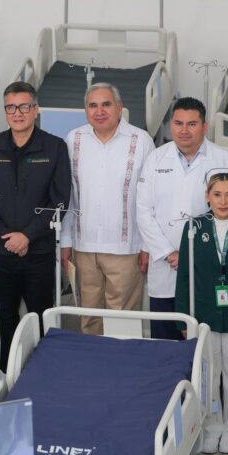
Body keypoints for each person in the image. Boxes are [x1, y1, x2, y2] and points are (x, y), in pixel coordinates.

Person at [0, 81, 71, 357]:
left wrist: (27, 236)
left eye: (24, 107)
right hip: (0, 251)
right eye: (11, 108)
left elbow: (60, 201)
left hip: (38, 252)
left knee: (41, 317)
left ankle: (42, 371)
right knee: (4, 316)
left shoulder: (54, 147)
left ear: (36, 110)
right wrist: (4, 236)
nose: (17, 113)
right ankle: (7, 371)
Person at [137, 97, 228, 340]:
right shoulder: (156, 159)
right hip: (166, 263)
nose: (184, 130)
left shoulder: (223, 159)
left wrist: (196, 255)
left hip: (207, 263)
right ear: (171, 125)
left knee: (204, 341)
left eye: (192, 124)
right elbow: (143, 210)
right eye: (178, 123)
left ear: (205, 126)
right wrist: (168, 253)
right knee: (165, 341)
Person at [60, 83, 154, 334]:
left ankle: (121, 361)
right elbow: (68, 195)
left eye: (106, 104)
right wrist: (65, 242)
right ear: (85, 110)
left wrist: (147, 246)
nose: (99, 111)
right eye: (93, 105)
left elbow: (149, 197)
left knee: (122, 322)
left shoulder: (141, 140)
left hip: (126, 248)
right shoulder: (73, 139)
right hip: (83, 247)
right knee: (88, 319)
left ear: (120, 107)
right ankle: (93, 360)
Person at [174, 169, 228, 455]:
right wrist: (185, 318)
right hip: (204, 314)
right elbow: (184, 275)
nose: (223, 201)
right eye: (217, 194)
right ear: (207, 196)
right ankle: (211, 428)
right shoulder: (194, 227)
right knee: (209, 377)